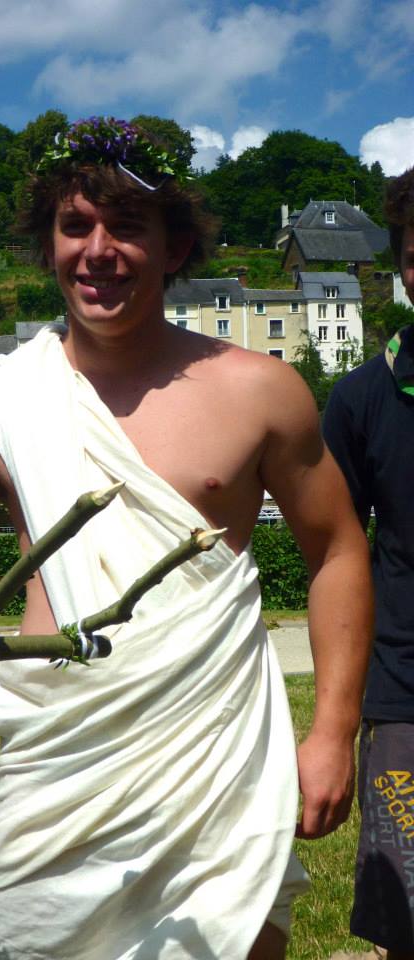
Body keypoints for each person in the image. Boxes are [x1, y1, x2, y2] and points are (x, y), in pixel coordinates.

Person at [0, 116, 373, 960]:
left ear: (174, 247)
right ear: (47, 245)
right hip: (60, 771)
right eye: (75, 226)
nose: (98, 251)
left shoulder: (260, 392)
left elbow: (337, 550)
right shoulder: (2, 408)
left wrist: (332, 732)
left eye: (127, 226)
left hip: (218, 761)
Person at [323, 167, 414, 960]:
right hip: (404, 693)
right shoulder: (361, 398)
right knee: (404, 914)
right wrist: (337, 720)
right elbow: (336, 558)